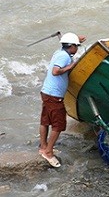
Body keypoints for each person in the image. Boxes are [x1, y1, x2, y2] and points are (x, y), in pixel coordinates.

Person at [39, 32, 86, 168]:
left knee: (45, 120)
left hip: (46, 92)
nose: (77, 49)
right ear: (70, 46)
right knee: (58, 125)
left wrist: (77, 39)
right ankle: (48, 152)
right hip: (54, 96)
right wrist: (72, 66)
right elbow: (55, 71)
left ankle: (43, 147)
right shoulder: (64, 57)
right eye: (76, 46)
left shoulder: (59, 52)